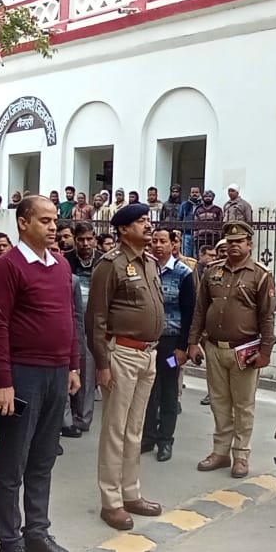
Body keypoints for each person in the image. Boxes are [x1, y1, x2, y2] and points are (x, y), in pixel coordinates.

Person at [0, 196, 81, 552]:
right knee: (13, 462)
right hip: (23, 375)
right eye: (44, 220)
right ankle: (9, 543)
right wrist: (3, 382)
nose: (53, 226)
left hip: (57, 374)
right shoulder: (7, 267)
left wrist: (73, 365)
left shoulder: (59, 264)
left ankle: (36, 531)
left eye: (55, 220)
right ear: (23, 223)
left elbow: (69, 319)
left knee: (43, 458)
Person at [87, 204, 165, 531]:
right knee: (115, 430)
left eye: (148, 220)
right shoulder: (111, 265)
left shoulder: (148, 262)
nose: (148, 226)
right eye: (140, 222)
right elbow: (97, 318)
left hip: (149, 354)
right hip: (123, 354)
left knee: (135, 429)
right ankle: (111, 501)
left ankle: (131, 492)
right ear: (122, 229)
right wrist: (102, 364)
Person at [187, 221, 276, 478]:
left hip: (245, 351)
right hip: (214, 348)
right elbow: (200, 310)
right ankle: (220, 452)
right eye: (230, 242)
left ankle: (241, 455)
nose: (234, 246)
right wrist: (193, 342)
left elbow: (267, 316)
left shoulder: (260, 274)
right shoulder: (212, 271)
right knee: (219, 403)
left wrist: (266, 351)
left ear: (250, 244)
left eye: (239, 241)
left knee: (244, 405)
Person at [142, 227, 196, 462]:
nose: (157, 245)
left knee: (168, 390)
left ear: (173, 244)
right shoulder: (146, 269)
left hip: (171, 344)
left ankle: (166, 440)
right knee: (147, 391)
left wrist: (183, 347)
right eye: (154, 240)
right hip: (148, 343)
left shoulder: (184, 273)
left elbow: (189, 312)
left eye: (163, 241)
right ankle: (148, 436)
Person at [62, 222, 101, 439]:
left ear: (94, 239)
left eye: (89, 239)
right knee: (68, 371)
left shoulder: (104, 260)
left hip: (93, 326)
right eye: (81, 240)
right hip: (69, 324)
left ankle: (83, 418)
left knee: (86, 375)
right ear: (75, 240)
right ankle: (67, 420)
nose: (85, 244)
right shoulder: (66, 260)